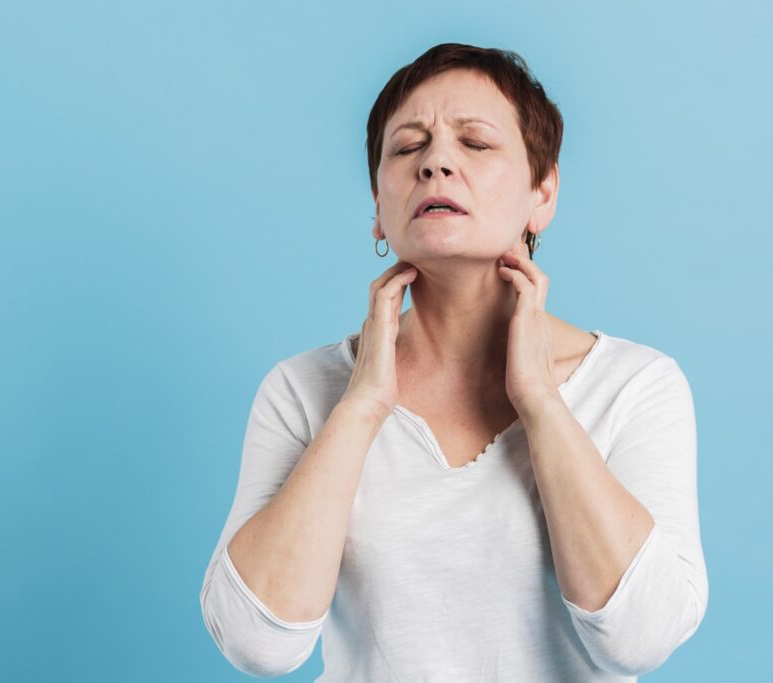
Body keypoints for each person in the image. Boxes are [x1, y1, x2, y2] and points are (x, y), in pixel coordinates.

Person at [199, 43, 707, 682]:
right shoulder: (303, 390)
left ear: (542, 192)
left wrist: (542, 403)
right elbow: (257, 644)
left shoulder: (634, 386)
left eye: (476, 143)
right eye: (408, 147)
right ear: (378, 209)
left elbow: (640, 638)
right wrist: (360, 408)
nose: (436, 162)